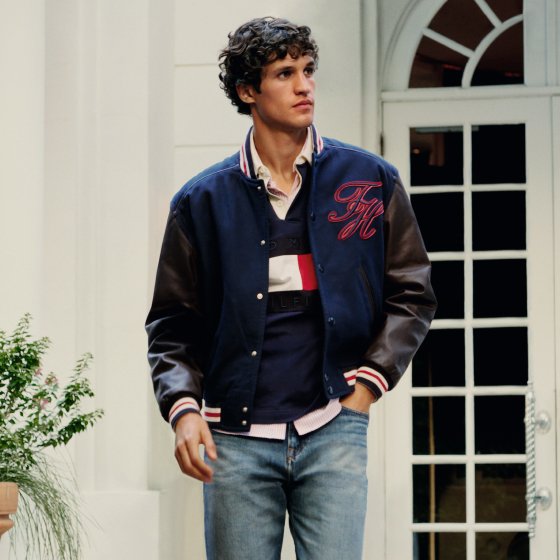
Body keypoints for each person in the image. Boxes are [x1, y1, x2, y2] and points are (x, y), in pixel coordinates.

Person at [146, 16, 436, 560]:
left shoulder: (369, 180)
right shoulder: (201, 201)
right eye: (285, 74)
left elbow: (413, 293)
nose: (305, 86)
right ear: (248, 91)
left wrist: (364, 389)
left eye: (308, 70)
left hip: (333, 426)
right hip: (234, 441)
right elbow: (172, 325)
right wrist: (183, 408)